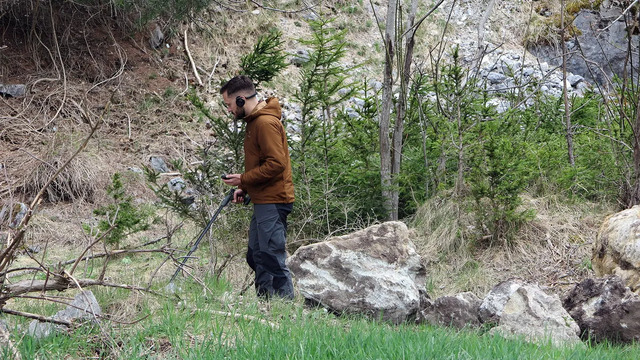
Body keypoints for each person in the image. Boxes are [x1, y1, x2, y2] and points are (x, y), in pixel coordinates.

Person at [220, 75, 295, 300]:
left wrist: (244, 179)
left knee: (272, 254)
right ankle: (265, 302)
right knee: (257, 254)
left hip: (275, 200)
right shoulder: (254, 122)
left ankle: (285, 305)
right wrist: (246, 188)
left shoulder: (265, 123)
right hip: (263, 199)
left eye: (230, 105)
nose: (230, 110)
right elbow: (264, 165)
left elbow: (276, 164)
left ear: (241, 100)